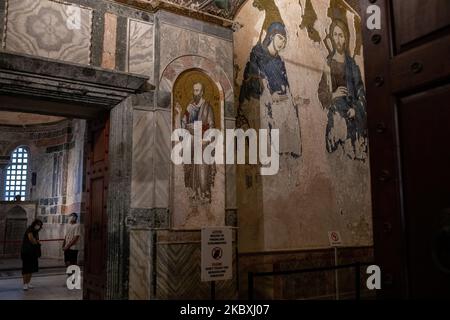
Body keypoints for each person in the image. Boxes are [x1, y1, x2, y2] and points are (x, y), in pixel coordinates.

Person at [239, 22, 302, 187]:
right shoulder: (257, 53)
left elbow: (286, 85)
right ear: (272, 36)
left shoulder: (280, 61)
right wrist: (268, 93)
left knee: (290, 112)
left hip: (280, 101)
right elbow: (251, 79)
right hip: (260, 100)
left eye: (285, 40)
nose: (282, 43)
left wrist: (292, 98)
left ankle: (286, 159)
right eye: (280, 38)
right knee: (273, 115)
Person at [318, 19, 368, 161]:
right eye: (335, 35)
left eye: (341, 35)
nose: (338, 39)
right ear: (332, 38)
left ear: (346, 38)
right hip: (336, 117)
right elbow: (321, 92)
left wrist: (356, 109)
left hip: (351, 115)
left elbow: (360, 90)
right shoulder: (328, 64)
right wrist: (333, 94)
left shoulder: (352, 65)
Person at [174, 82, 216, 203]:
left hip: (203, 142)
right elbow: (182, 125)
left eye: (197, 90)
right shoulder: (190, 107)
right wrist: (178, 112)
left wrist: (206, 139)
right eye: (194, 90)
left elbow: (212, 126)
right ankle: (193, 193)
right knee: (190, 167)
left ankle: (204, 194)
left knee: (202, 169)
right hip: (190, 141)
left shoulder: (207, 107)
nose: (195, 93)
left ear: (202, 92)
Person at [21, 219, 43, 290]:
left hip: (33, 252)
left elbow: (35, 240)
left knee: (31, 268)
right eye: (37, 224)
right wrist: (37, 242)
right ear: (34, 224)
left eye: (39, 225)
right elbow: (31, 240)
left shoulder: (36, 231)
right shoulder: (30, 229)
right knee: (26, 268)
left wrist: (36, 241)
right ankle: (24, 284)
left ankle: (28, 283)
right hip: (27, 251)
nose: (38, 226)